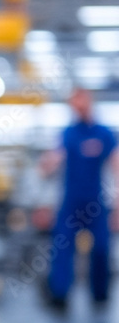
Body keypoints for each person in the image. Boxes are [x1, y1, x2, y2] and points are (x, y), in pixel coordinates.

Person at [41, 88, 119, 309]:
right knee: (63, 246)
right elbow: (56, 157)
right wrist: (47, 165)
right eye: (73, 104)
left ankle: (100, 294)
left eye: (80, 102)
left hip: (96, 203)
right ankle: (60, 294)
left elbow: (116, 164)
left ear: (89, 101)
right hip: (70, 203)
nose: (77, 107)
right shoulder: (68, 133)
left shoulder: (104, 133)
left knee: (102, 247)